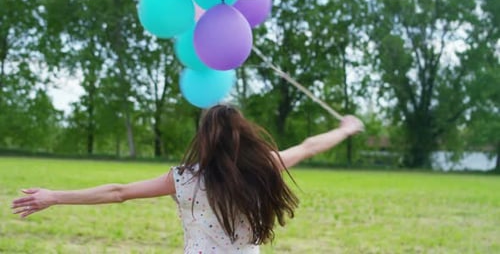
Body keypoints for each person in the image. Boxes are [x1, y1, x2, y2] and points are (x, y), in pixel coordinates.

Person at [11, 104, 364, 253]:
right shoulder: (265, 166)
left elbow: (118, 192)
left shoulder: (184, 179)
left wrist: (55, 196)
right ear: (242, 134)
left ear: (205, 139)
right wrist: (345, 129)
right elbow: (308, 146)